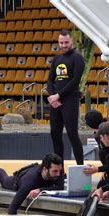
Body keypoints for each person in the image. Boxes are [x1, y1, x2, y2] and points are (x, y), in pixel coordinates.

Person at [47, 29, 85, 165]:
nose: (63, 45)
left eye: (66, 42)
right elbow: (50, 80)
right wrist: (52, 96)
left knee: (72, 134)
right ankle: (58, 170)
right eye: (61, 42)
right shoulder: (57, 59)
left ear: (72, 41)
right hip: (56, 103)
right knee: (55, 134)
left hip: (70, 100)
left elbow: (75, 80)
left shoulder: (77, 58)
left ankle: (80, 167)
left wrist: (58, 95)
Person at [0, 153, 64, 214]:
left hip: (35, 174)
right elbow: (13, 207)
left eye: (59, 170)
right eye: (55, 171)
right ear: (45, 169)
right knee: (5, 180)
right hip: (18, 180)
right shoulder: (30, 182)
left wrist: (40, 190)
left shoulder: (57, 171)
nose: (58, 174)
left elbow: (60, 187)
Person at [83, 110, 109, 188]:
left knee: (102, 188)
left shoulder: (105, 135)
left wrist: (100, 169)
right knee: (98, 187)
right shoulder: (99, 134)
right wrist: (104, 170)